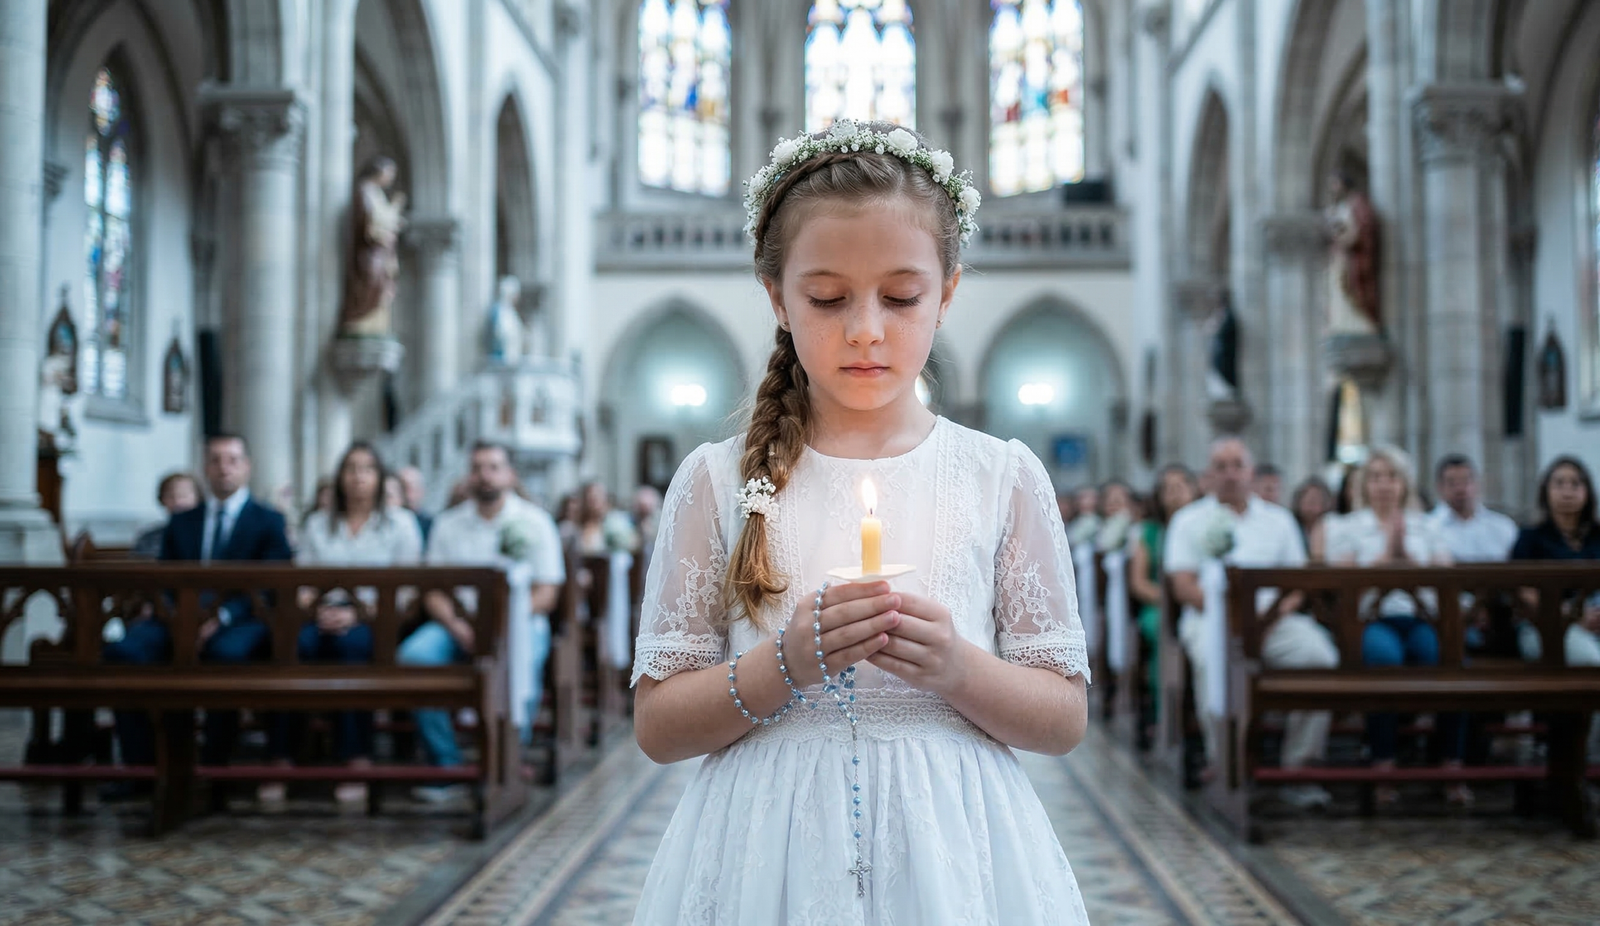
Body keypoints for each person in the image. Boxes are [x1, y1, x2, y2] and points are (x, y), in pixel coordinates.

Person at [631, 121, 1090, 923]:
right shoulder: (715, 480)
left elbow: (1062, 718)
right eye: (828, 298)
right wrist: (786, 663)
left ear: (946, 293)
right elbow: (660, 727)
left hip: (960, 853)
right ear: (777, 297)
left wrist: (954, 665)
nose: (867, 329)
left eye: (902, 297)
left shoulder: (1002, 477)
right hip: (764, 853)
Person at [103, 434, 293, 790]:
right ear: (205, 468)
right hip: (178, 618)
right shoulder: (184, 520)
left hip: (242, 617)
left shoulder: (268, 521)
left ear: (247, 467)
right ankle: (141, 768)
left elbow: (269, 585)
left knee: (226, 654)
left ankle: (213, 766)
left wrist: (219, 619)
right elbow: (166, 578)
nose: (224, 468)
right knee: (122, 653)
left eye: (233, 460)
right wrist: (179, 618)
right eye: (216, 460)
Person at [1165, 438, 1339, 809]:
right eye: (1221, 466)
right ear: (1209, 475)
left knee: (1319, 656)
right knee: (1211, 660)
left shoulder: (1279, 521)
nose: (1229, 474)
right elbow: (1183, 583)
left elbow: (1296, 585)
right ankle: (1222, 760)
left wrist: (1271, 618)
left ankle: (1300, 767)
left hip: (1272, 624)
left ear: (1250, 472)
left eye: (1237, 465)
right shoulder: (1189, 520)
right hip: (1211, 620)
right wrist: (1228, 618)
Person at [261, 442, 423, 807]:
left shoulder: (400, 524)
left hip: (373, 619)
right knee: (292, 648)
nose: (358, 477)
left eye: (367, 468)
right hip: (321, 613)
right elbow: (302, 581)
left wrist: (358, 614)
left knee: (351, 649)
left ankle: (355, 755)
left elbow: (408, 589)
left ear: (380, 477)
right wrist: (315, 609)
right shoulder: (319, 523)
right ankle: (282, 754)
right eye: (350, 468)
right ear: (340, 477)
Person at [402, 441, 563, 801]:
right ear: (469, 475)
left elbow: (547, 591)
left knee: (527, 654)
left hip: (518, 624)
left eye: (493, 467)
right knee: (415, 656)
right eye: (477, 468)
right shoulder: (448, 523)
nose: (485, 476)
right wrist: (459, 627)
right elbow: (433, 591)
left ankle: (508, 757)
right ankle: (447, 765)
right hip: (459, 625)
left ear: (509, 474)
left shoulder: (534, 522)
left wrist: (503, 627)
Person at [1326, 446, 1468, 805]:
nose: (1384, 485)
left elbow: (1446, 574)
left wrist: (1410, 559)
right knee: (1385, 660)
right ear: (1363, 484)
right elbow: (1339, 583)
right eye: (1375, 477)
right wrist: (1387, 557)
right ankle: (1384, 766)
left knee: (1447, 659)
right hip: (1370, 621)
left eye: (1392, 477)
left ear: (1404, 483)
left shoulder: (1426, 526)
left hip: (1420, 618)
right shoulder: (1346, 526)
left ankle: (1451, 764)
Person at [1127, 465, 1199, 740]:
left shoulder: (1202, 526)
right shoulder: (1149, 532)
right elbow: (1139, 582)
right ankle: (1164, 713)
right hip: (1158, 607)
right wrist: (1169, 600)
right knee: (1161, 629)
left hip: (1197, 605)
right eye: (1168, 488)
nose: (1176, 494)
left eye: (1181, 486)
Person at [131, 472, 201, 558]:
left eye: (183, 496)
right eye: (171, 496)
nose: (177, 502)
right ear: (162, 500)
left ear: (197, 499)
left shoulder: (209, 537)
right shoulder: (148, 538)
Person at [1290, 476, 1336, 562]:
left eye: (1316, 500)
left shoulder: (1333, 526)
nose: (1312, 506)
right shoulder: (1289, 524)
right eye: (1309, 500)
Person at [396, 465, 434, 546]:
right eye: (403, 488)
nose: (407, 494)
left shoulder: (430, 524)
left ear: (422, 491)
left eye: (411, 488)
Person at [1095, 479, 1135, 551]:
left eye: (1118, 500)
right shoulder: (1094, 527)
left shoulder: (1137, 530)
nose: (1112, 503)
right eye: (1108, 498)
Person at [1066, 484, 1102, 550]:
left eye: (1087, 498)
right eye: (1079, 498)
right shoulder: (1073, 520)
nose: (1082, 502)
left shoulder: (1096, 521)